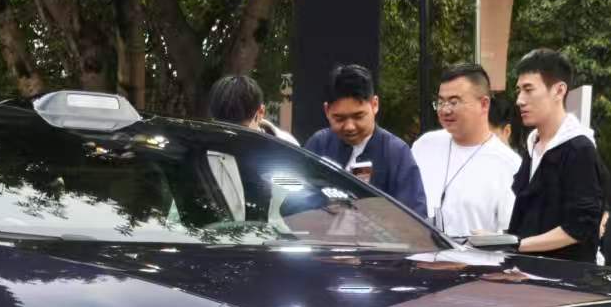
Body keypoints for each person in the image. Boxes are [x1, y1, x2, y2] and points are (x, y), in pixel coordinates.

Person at [508, 48, 604, 261]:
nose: (520, 100)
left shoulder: (579, 149)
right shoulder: (533, 145)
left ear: (559, 91)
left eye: (529, 90)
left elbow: (580, 226)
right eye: (519, 91)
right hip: (525, 271)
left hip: (564, 277)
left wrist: (516, 245)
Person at [410, 62, 521, 239]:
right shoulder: (424, 146)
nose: (445, 110)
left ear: (484, 104)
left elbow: (511, 236)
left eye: (454, 102)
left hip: (474, 257)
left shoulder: (509, 164)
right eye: (440, 102)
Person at [301, 63, 427, 217]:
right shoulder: (319, 145)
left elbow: (414, 216)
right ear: (327, 111)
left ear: (374, 105)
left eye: (358, 116)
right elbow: (292, 203)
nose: (349, 127)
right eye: (339, 118)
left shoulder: (396, 153)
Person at [207, 74, 298, 144]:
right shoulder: (203, 145)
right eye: (223, 129)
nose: (232, 137)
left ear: (260, 113)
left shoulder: (288, 147)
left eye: (241, 131)